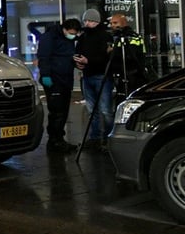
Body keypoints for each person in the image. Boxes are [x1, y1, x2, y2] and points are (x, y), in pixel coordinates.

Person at [36, 18, 82, 153]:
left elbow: (67, 56)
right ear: (64, 29)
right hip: (54, 80)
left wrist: (75, 63)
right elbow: (43, 57)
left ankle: (59, 139)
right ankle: (54, 141)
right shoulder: (49, 37)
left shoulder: (68, 39)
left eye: (75, 34)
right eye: (71, 33)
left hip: (65, 79)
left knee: (63, 111)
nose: (73, 36)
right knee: (57, 112)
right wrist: (45, 75)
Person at [75, 9, 113, 149]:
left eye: (90, 21)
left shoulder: (104, 37)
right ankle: (95, 138)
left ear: (97, 22)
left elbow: (107, 58)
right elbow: (77, 52)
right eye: (85, 21)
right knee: (92, 111)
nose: (87, 23)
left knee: (105, 110)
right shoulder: (83, 37)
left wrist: (88, 61)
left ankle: (109, 138)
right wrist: (77, 62)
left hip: (101, 75)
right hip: (87, 76)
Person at [107, 13, 150, 102]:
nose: (112, 26)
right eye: (111, 23)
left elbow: (131, 54)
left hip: (134, 76)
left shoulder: (133, 37)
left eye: (115, 23)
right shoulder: (116, 37)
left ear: (124, 23)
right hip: (121, 76)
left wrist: (113, 50)